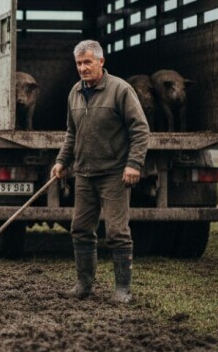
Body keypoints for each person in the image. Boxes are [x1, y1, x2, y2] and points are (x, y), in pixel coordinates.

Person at [50, 40, 149, 303]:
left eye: (88, 62)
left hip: (114, 173)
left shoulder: (120, 90)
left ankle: (123, 290)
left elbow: (140, 130)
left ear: (101, 62)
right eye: (79, 64)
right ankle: (84, 286)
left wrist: (134, 164)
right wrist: (62, 161)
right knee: (80, 228)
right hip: (84, 173)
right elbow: (72, 133)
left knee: (117, 231)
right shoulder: (75, 92)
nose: (83, 68)